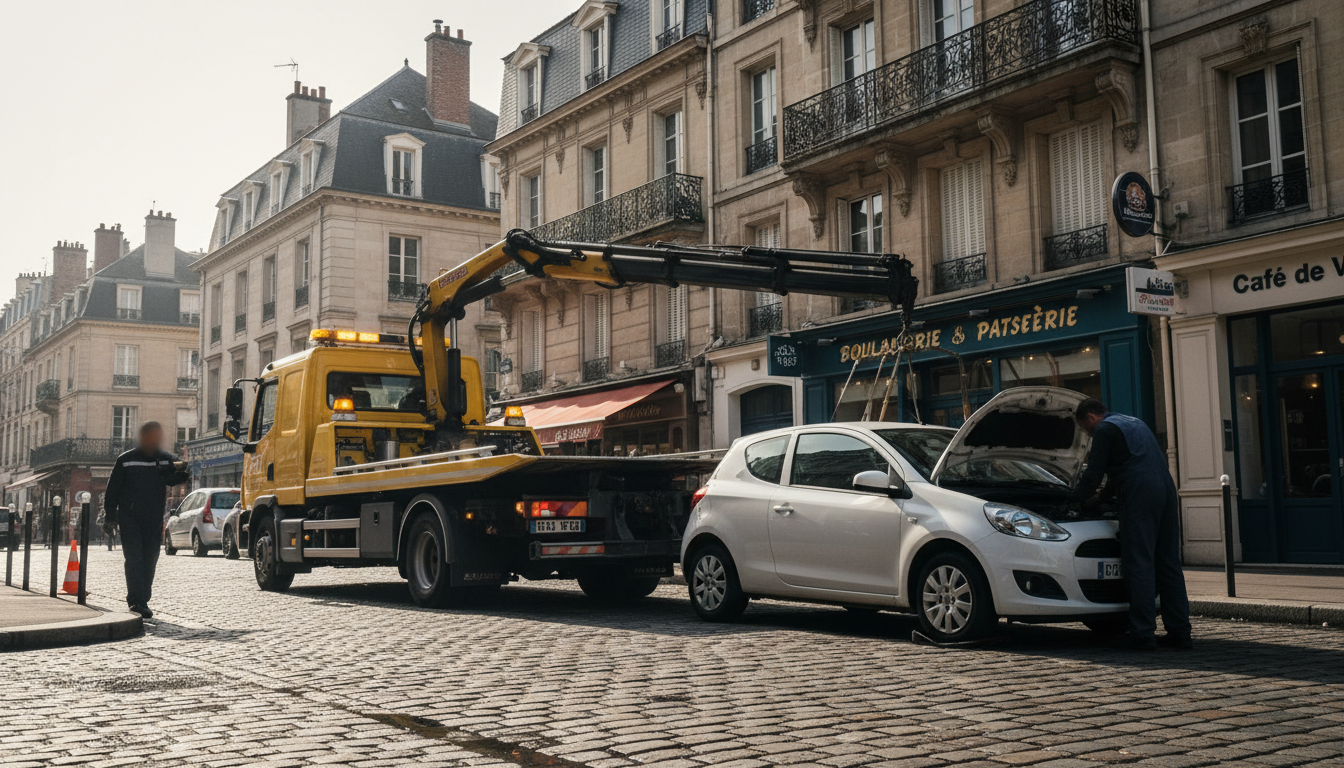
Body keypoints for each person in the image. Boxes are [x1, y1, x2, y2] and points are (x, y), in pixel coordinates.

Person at [1071, 398, 1191, 650]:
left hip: (1139, 491)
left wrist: (1073, 501)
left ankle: (1143, 634)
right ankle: (1180, 633)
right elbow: (1122, 468)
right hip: (1166, 489)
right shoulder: (1135, 423)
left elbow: (1094, 473)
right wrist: (1100, 499)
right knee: (1168, 563)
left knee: (1139, 562)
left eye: (1085, 429)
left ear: (1090, 417)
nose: (1088, 434)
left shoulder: (1104, 429)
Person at [102, 421, 190, 618]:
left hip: (153, 518)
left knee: (150, 558)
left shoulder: (164, 459)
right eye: (151, 436)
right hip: (130, 518)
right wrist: (110, 517)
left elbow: (172, 479)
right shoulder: (126, 460)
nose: (155, 439)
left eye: (158, 436)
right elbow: (112, 491)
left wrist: (182, 475)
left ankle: (143, 597)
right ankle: (136, 601)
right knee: (134, 558)